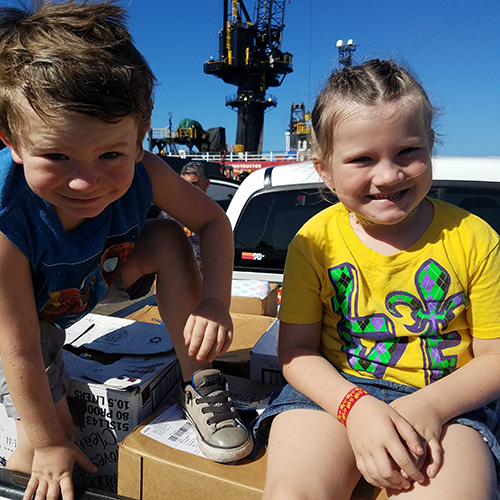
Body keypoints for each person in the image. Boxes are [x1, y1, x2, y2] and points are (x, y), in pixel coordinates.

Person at [0, 2, 253, 500]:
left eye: (110, 154)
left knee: (166, 239)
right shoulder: (7, 221)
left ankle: (198, 383)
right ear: (14, 144)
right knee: (50, 441)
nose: (84, 181)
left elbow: (211, 221)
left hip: (84, 282)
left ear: (139, 141)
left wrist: (215, 303)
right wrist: (51, 443)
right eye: (56, 155)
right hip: (17, 321)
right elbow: (19, 345)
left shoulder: (148, 174)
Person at [253, 59, 500, 500]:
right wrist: (356, 408)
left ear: (430, 145)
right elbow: (297, 351)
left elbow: (495, 358)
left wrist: (430, 405)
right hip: (335, 395)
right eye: (362, 159)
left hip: (447, 403)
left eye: (407, 151)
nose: (388, 175)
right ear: (324, 169)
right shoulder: (312, 243)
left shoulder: (476, 239)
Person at [158, 161, 211, 269]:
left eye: (194, 184)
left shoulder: (215, 215)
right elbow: (158, 252)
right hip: (176, 279)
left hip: (206, 279)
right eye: (184, 184)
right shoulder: (168, 215)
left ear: (206, 184)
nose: (188, 189)